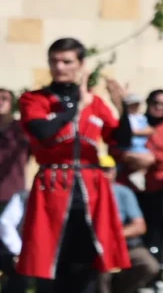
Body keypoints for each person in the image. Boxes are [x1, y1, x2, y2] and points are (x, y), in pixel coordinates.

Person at [18, 38, 131, 293]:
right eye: (54, 61)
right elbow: (42, 130)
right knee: (51, 259)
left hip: (91, 191)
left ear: (80, 65)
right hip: (53, 188)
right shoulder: (34, 99)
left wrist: (121, 109)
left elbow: (120, 142)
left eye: (67, 61)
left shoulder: (96, 103)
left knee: (88, 261)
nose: (59, 67)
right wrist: (75, 109)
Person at [125, 90, 163, 291]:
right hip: (133, 186)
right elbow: (118, 144)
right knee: (135, 231)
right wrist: (131, 157)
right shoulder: (137, 122)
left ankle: (157, 274)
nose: (159, 108)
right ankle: (135, 275)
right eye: (156, 103)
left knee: (157, 232)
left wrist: (152, 158)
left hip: (160, 187)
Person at [99, 154, 160, 293]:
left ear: (114, 171)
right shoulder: (88, 194)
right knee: (100, 271)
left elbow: (139, 226)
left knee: (149, 265)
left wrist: (112, 235)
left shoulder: (123, 192)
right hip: (100, 247)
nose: (105, 173)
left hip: (126, 244)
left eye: (108, 169)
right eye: (101, 169)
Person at [0, 88, 28, 293]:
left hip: (12, 198)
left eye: (4, 98)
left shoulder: (21, 129)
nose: (0, 102)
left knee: (13, 253)